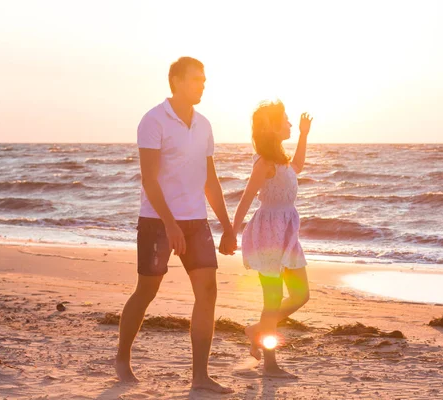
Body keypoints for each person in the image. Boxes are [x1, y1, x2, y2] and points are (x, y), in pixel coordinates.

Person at [115, 57, 236, 394]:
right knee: (147, 291)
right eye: (197, 79)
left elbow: (210, 180)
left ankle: (200, 376)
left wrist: (227, 226)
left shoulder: (205, 124)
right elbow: (149, 179)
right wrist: (169, 224)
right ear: (177, 80)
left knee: (208, 291)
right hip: (157, 221)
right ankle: (122, 358)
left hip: (196, 220)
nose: (203, 84)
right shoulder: (153, 120)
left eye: (204, 79)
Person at [232, 101, 312, 378]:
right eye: (286, 121)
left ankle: (257, 330)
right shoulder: (263, 162)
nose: (290, 124)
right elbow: (246, 196)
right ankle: (271, 365)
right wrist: (232, 230)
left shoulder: (282, 159)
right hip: (268, 234)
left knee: (301, 294)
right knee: (273, 299)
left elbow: (299, 165)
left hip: (287, 232)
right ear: (272, 126)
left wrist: (303, 134)